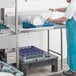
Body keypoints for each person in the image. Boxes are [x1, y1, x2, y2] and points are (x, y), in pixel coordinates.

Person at [48, 0, 76, 76]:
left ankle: (73, 71)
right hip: (73, 30)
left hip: (74, 31)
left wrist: (52, 20)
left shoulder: (72, 5)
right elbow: (65, 9)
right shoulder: (73, 3)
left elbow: (64, 18)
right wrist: (56, 9)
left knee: (73, 50)